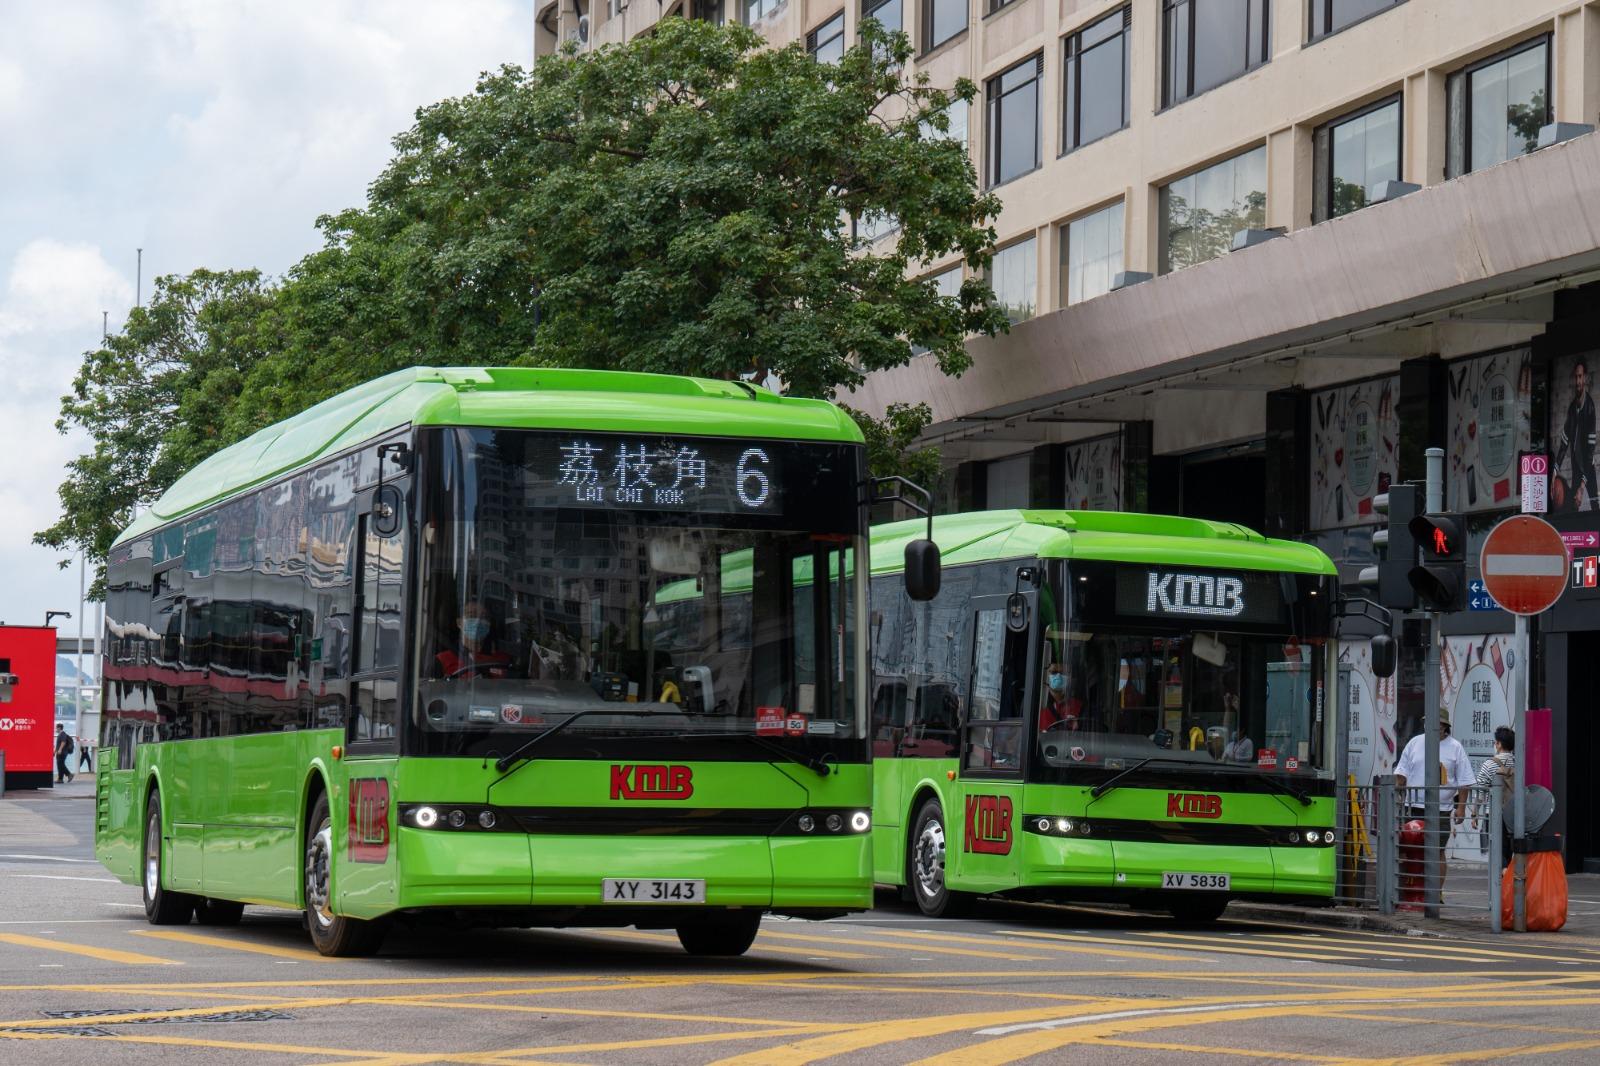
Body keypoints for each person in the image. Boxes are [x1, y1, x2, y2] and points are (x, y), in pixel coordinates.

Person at [1393, 714, 1476, 894]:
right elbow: (1402, 772)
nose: (1432, 728)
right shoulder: (1415, 743)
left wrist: (1461, 807)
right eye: (1428, 723)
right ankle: (1409, 891)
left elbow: (1464, 780)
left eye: (1437, 725)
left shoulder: (1455, 747)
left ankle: (1435, 894)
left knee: (1437, 851)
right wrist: (1398, 795)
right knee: (1410, 849)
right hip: (1414, 806)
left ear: (1445, 727)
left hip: (1442, 809)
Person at [1471, 725, 1515, 869]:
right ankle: (1509, 878)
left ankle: (1500, 882)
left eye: (1495, 742)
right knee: (1510, 848)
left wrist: (1474, 813)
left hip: (1495, 814)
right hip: (1515, 813)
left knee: (1497, 849)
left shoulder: (1489, 764)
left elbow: (1480, 793)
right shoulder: (1518, 763)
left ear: (1499, 744)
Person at [435, 600, 513, 680]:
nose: (478, 621)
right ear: (459, 623)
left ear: (489, 624)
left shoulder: (504, 660)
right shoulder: (442, 660)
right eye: (472, 616)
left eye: (484, 617)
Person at [1558, 357, 1596, 511]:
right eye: (1576, 377)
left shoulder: (1590, 408)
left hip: (1587, 465)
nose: (1578, 381)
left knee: (1595, 506)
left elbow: (1589, 451)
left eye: (1580, 376)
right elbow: (1564, 442)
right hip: (1575, 465)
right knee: (1573, 508)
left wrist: (1582, 486)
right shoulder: (1572, 408)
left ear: (1585, 377)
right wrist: (1554, 470)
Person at [1038, 662, 1082, 731]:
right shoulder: (1038, 712)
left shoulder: (1082, 707)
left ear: (1071, 679)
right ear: (1045, 680)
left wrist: (1078, 727)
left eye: (1064, 673)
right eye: (1054, 672)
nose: (1058, 676)